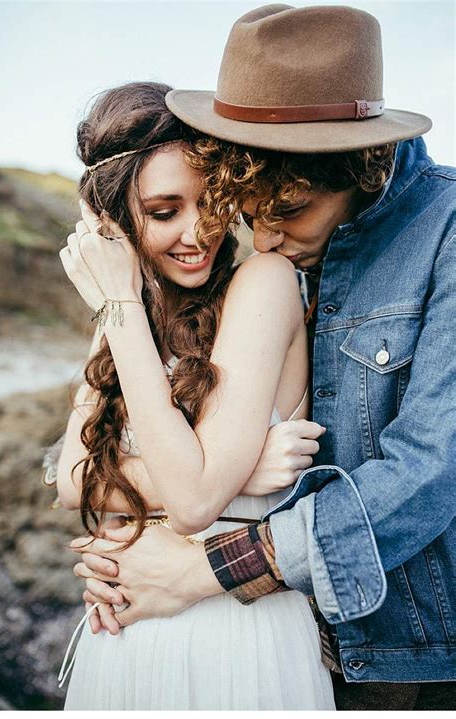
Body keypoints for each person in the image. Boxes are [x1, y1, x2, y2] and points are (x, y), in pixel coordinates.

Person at [70, 4, 456, 712]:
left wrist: (205, 567)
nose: (267, 239)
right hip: (306, 640)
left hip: (416, 661)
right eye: (251, 213)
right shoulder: (247, 268)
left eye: (293, 210)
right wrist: (213, 484)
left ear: (367, 161)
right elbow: (79, 473)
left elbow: (431, 471)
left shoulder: (445, 234)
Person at [54, 79, 335, 710]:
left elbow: (192, 502)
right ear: (115, 221)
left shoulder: (264, 281)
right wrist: (241, 472)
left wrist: (210, 482)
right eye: (163, 211)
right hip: (126, 628)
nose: (197, 232)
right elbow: (72, 479)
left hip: (234, 629)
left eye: (210, 203)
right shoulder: (127, 321)